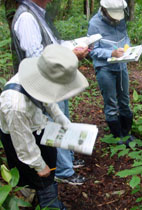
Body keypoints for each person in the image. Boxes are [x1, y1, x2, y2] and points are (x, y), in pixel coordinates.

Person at [0, 44, 89, 209]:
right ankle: (50, 204)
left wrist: (61, 119)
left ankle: (44, 196)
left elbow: (48, 98)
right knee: (40, 179)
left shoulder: (37, 78)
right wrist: (39, 165)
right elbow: (23, 143)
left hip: (39, 129)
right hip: (21, 141)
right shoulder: (15, 105)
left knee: (49, 170)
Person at [11, 0, 88, 185]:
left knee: (63, 117)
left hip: (55, 79)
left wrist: (70, 48)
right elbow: (36, 56)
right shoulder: (27, 17)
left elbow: (51, 45)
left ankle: (67, 158)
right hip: (45, 83)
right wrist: (70, 56)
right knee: (54, 122)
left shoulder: (37, 13)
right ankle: (63, 169)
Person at [87, 0, 134, 144]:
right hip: (104, 69)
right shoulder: (94, 24)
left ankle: (126, 133)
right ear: (104, 9)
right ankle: (117, 136)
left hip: (121, 66)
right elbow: (92, 50)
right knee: (111, 103)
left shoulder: (121, 19)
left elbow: (125, 37)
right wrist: (111, 53)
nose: (116, 19)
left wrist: (129, 49)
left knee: (125, 101)